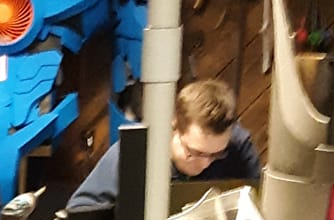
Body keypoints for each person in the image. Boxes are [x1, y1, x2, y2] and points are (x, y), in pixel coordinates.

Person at [67, 78, 261, 210]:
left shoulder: (238, 147)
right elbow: (80, 210)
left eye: (216, 155)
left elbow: (256, 204)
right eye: (194, 152)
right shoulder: (135, 152)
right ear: (173, 127)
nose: (205, 163)